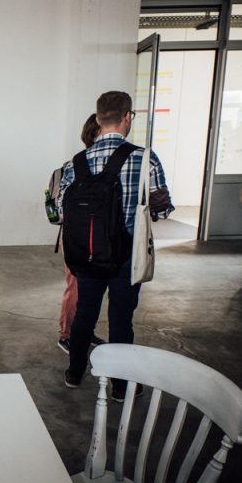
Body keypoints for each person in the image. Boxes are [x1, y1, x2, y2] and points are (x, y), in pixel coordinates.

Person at [58, 92, 174, 401]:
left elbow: (61, 210)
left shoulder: (76, 162)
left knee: (85, 313)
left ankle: (74, 373)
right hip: (127, 256)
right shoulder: (145, 158)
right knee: (121, 319)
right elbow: (162, 209)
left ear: (98, 119)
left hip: (87, 254)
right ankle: (121, 387)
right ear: (127, 117)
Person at [57, 114, 106, 354]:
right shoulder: (75, 165)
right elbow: (60, 208)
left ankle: (84, 330)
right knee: (76, 287)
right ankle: (67, 334)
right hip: (78, 237)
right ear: (94, 134)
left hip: (99, 237)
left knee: (93, 290)